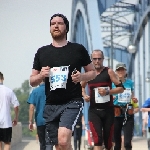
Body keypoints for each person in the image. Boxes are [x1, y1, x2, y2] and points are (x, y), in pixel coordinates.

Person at [29, 13, 96, 150]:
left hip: (72, 101)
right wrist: (41, 75)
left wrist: (81, 77)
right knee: (59, 146)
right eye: (53, 24)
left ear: (66, 28)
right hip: (51, 105)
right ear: (50, 28)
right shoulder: (42, 52)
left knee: (64, 139)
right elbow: (32, 81)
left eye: (59, 23)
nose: (56, 26)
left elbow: (93, 72)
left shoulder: (77, 49)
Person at [81, 49, 124, 150]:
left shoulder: (109, 71)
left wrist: (108, 92)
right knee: (97, 140)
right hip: (94, 111)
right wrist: (84, 95)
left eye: (99, 59)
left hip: (108, 111)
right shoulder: (89, 74)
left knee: (108, 142)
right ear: (91, 60)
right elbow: (81, 87)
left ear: (103, 59)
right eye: (94, 59)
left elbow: (121, 88)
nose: (97, 61)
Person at [112, 63, 139, 150]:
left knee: (127, 142)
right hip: (116, 113)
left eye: (122, 70)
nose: (120, 71)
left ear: (125, 71)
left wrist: (135, 103)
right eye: (118, 70)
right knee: (117, 143)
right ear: (115, 72)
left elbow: (132, 96)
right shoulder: (112, 84)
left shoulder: (130, 83)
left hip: (128, 113)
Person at [27, 80, 53, 150]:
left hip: (40, 121)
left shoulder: (35, 91)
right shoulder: (52, 90)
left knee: (42, 143)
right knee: (49, 143)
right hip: (51, 120)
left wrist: (30, 121)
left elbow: (31, 107)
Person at [0, 72, 19, 150]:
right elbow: (16, 105)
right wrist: (16, 117)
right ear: (3, 78)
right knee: (7, 143)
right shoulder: (8, 91)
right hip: (6, 122)